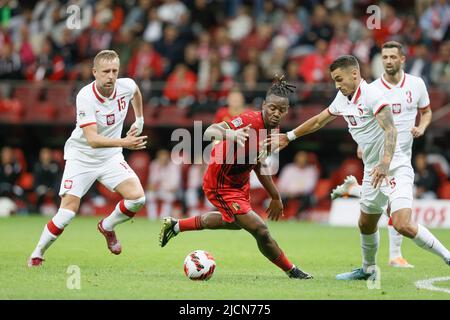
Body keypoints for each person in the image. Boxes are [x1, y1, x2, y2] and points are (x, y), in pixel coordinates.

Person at [265, 55, 449, 280]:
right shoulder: (343, 98)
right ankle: (368, 270)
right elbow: (319, 120)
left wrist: (384, 163)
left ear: (355, 74)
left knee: (402, 224)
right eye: (334, 80)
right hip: (373, 170)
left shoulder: (372, 95)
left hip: (394, 167)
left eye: (339, 79)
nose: (337, 85)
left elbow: (391, 130)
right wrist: (290, 136)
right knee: (365, 222)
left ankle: (447, 256)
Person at [159, 75, 312, 279]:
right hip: (220, 184)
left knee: (232, 222)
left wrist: (275, 196)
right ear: (264, 105)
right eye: (272, 108)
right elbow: (210, 131)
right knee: (260, 230)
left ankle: (176, 225)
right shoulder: (249, 120)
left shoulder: (274, 129)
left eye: (281, 110)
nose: (276, 113)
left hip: (240, 183)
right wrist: (229, 134)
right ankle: (292, 270)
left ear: (287, 110)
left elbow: (259, 163)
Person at [28, 50, 148, 267]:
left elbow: (136, 92)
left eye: (114, 71)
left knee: (138, 199)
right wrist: (124, 142)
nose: (111, 76)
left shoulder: (126, 86)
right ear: (95, 72)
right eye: (105, 72)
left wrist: (139, 119)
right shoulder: (85, 96)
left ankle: (108, 226)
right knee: (66, 214)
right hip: (82, 157)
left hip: (110, 157)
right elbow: (92, 139)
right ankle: (38, 253)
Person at [330, 41, 434, 269]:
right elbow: (361, 118)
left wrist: (422, 127)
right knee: (393, 207)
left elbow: (426, 112)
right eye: (384, 57)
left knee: (394, 207)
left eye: (392, 57)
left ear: (402, 59)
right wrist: (363, 144)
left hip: (405, 150)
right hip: (384, 156)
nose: (387, 61)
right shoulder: (374, 88)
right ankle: (394, 255)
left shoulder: (416, 84)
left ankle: (354, 190)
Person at [277, 151, 319, 219]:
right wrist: (289, 192)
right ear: (296, 159)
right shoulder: (288, 169)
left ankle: (296, 217)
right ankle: (279, 217)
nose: (301, 161)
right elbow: (281, 184)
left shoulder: (311, 170)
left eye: (303, 160)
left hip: (303, 195)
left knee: (309, 199)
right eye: (300, 159)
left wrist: (297, 192)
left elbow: (309, 187)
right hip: (287, 193)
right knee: (278, 199)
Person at [32, 147, 61, 213]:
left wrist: (53, 190)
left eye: (47, 154)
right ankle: (36, 211)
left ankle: (59, 212)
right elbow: (35, 182)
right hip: (41, 189)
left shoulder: (55, 166)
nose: (45, 156)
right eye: (43, 154)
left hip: (53, 190)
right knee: (39, 194)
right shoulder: (37, 166)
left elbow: (58, 180)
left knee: (59, 193)